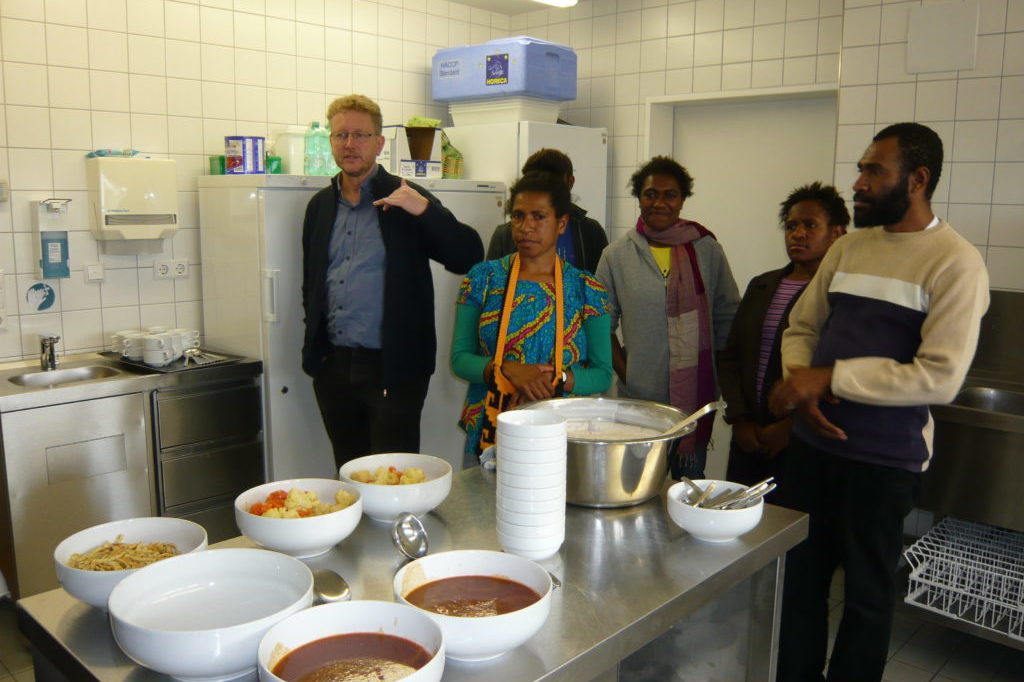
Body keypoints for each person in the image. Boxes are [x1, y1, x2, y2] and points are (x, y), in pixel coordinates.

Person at [769, 123, 989, 682]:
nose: (859, 183)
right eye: (862, 169)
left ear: (917, 180)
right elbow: (802, 326)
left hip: (883, 463)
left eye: (873, 171)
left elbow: (939, 377)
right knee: (798, 585)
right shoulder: (849, 246)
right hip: (813, 449)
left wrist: (828, 380)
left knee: (867, 600)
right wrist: (801, 381)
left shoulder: (955, 262)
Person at [301, 94, 484, 470]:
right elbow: (312, 283)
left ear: (379, 143)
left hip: (393, 368)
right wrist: (317, 353)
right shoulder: (320, 207)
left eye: (360, 135)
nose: (350, 144)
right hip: (334, 367)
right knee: (349, 476)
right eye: (340, 135)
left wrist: (425, 210)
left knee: (392, 478)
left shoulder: (405, 198)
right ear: (331, 142)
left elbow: (468, 255)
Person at [451, 171, 613, 466]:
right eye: (518, 216)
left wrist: (556, 380)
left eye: (539, 217)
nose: (526, 227)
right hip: (489, 433)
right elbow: (460, 359)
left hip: (562, 436)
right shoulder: (482, 279)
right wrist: (508, 370)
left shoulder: (587, 288)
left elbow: (603, 373)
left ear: (561, 223)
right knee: (480, 510)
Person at [595, 156, 740, 480]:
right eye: (650, 194)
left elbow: (727, 319)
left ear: (682, 200)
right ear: (639, 198)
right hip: (638, 404)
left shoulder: (706, 249)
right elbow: (600, 324)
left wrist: (721, 378)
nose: (659, 202)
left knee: (687, 488)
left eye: (669, 195)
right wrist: (628, 373)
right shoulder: (616, 255)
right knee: (635, 486)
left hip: (695, 403)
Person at [717, 182, 849, 497]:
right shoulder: (762, 286)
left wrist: (792, 429)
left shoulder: (843, 296)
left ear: (837, 233)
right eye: (791, 226)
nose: (798, 233)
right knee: (740, 528)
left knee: (793, 531)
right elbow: (731, 355)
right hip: (748, 437)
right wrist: (739, 420)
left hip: (803, 441)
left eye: (810, 225)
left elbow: (839, 375)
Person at [486, 148, 608, 273]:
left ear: (570, 183)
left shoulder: (591, 231)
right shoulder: (504, 235)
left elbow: (600, 283)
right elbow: (489, 284)